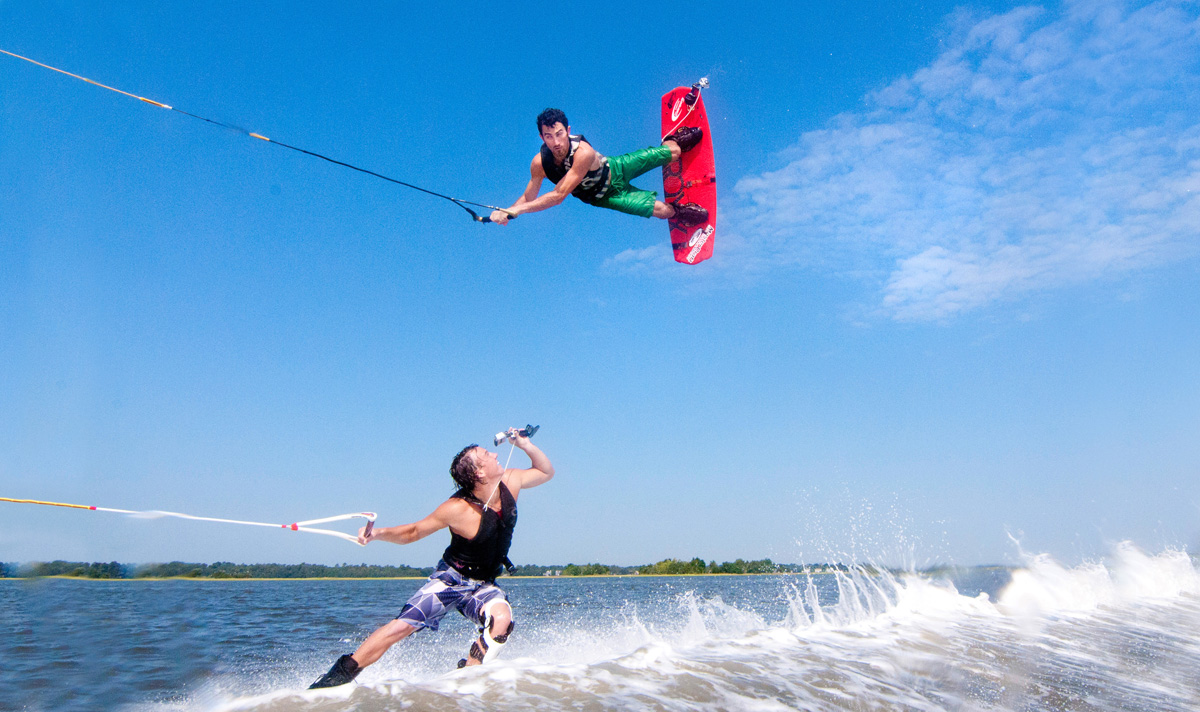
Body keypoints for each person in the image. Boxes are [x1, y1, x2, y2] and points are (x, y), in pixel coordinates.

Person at [309, 429, 555, 688]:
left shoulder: (511, 481)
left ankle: (467, 676)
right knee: (400, 628)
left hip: (483, 585)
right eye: (486, 454)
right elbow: (414, 531)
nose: (495, 453)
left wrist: (526, 444)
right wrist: (377, 534)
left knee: (502, 621)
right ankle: (334, 681)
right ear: (479, 473)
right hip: (451, 580)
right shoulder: (456, 508)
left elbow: (545, 471)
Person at [488, 108, 708, 226]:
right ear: (541, 137)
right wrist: (508, 211)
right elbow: (528, 197)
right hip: (605, 196)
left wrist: (516, 210)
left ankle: (674, 140)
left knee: (674, 153)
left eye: (559, 134)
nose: (556, 142)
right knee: (664, 211)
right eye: (548, 136)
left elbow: (558, 196)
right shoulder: (539, 164)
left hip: (617, 168)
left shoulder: (583, 152)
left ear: (568, 130)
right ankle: (679, 212)